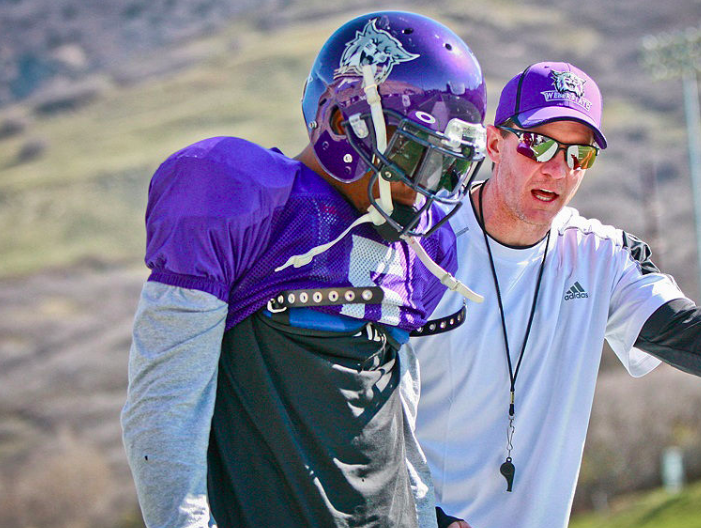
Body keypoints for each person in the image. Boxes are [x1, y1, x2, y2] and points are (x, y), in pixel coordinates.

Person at [120, 11, 491, 528]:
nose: (425, 187)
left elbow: (394, 411)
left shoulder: (423, 246)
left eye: (447, 166)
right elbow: (164, 407)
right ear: (343, 123)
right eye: (416, 157)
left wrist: (428, 515)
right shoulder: (243, 200)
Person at [410, 61, 701, 528]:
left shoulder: (598, 255)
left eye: (578, 155)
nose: (556, 170)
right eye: (537, 143)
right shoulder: (419, 242)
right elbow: (353, 405)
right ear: (493, 144)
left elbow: (680, 328)